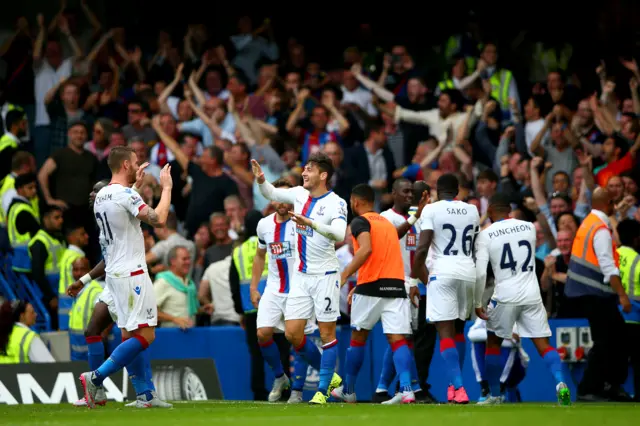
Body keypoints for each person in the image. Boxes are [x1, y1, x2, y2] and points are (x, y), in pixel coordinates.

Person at [78, 146, 173, 409]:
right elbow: (160, 219)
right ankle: (95, 378)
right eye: (135, 162)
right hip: (133, 273)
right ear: (126, 165)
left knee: (129, 334)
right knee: (146, 336)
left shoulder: (102, 196)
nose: (138, 165)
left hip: (115, 275)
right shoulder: (125, 195)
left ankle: (145, 395)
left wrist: (136, 189)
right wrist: (166, 188)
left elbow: (123, 213)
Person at [251, 152, 347, 405]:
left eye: (310, 169)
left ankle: (323, 390)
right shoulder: (299, 194)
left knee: (327, 333)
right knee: (293, 333)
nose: (304, 172)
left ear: (323, 175)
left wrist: (311, 223)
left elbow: (338, 234)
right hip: (302, 277)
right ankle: (331, 378)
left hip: (325, 275)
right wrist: (261, 180)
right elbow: (271, 193)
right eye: (304, 169)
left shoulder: (337, 203)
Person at [474, 193, 570, 405]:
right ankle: (561, 383)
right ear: (509, 210)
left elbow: (481, 273)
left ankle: (495, 395)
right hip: (531, 294)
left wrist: (478, 301)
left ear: (490, 212)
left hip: (505, 294)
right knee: (543, 344)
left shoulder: (486, 234)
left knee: (492, 343)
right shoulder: (527, 227)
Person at [330, 183, 415, 404]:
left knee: (358, 339)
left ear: (355, 202)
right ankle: (406, 389)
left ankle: (348, 390)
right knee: (397, 340)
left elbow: (366, 249)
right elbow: (382, 256)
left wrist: (345, 274)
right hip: (396, 285)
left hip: (371, 287)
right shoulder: (386, 223)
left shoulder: (360, 221)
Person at [410, 173, 479, 404]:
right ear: (457, 190)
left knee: (445, 332)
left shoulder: (431, 210)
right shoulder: (472, 210)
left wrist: (423, 277)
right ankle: (452, 386)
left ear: (437, 192)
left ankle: (459, 389)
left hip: (443, 272)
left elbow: (421, 250)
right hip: (468, 272)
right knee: (459, 330)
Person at [251, 179, 316, 403]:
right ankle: (280, 377)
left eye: (286, 198)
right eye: (278, 197)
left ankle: (297, 391)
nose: (282, 202)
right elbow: (260, 255)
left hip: (300, 289)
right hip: (274, 288)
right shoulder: (264, 225)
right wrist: (253, 286)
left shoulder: (302, 222)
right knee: (262, 334)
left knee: (297, 338)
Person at [565, 187, 632, 402]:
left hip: (586, 292)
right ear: (608, 204)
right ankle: (592, 387)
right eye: (612, 203)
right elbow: (608, 265)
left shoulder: (588, 223)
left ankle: (606, 385)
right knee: (610, 339)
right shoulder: (601, 229)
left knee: (612, 338)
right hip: (596, 293)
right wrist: (622, 295)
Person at [374, 178, 430, 403]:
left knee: (403, 337)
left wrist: (429, 284)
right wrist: (417, 216)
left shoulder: (415, 221)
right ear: (393, 194)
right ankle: (412, 389)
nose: (409, 195)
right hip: (394, 283)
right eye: (405, 191)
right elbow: (392, 237)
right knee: (402, 337)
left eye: (411, 192)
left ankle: (382, 389)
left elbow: (418, 256)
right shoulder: (386, 218)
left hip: (412, 284)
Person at [467, 317, 529, 403]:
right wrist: (496, 335)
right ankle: (485, 389)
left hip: (517, 366)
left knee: (508, 346)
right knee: (477, 343)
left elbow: (514, 339)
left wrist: (493, 336)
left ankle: (500, 388)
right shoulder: (487, 309)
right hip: (493, 363)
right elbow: (471, 334)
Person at [616, 219, 640, 401]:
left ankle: (613, 392)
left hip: (612, 315)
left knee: (616, 359)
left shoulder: (612, 256)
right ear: (636, 239)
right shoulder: (637, 260)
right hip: (634, 316)